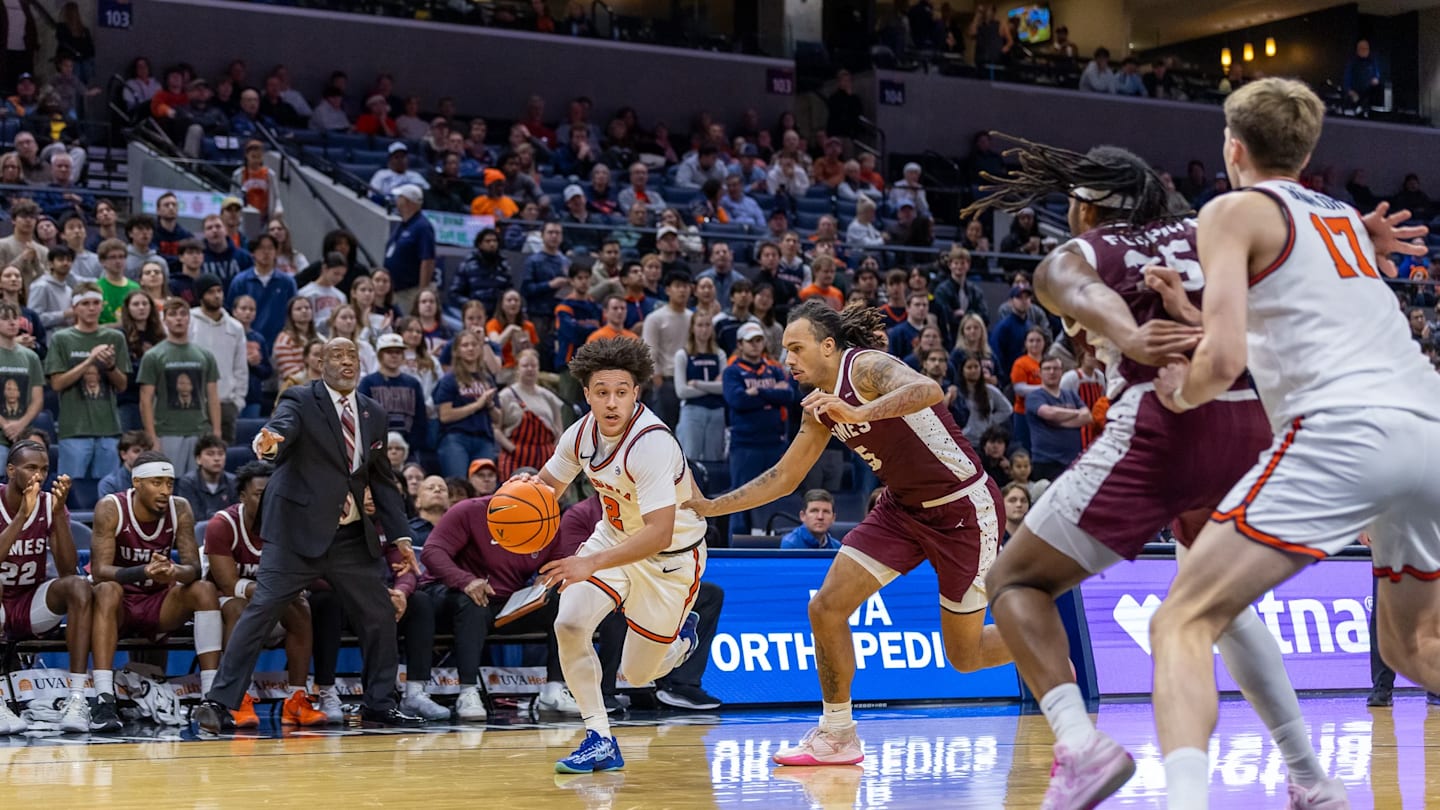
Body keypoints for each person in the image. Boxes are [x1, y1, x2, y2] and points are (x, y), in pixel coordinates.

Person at [956, 134, 1394, 809]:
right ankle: (1310, 778)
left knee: (1016, 580)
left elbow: (1065, 282)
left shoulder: (1095, 248)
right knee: (1222, 609)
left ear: (1088, 208)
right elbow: (1307, 247)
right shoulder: (1213, 227)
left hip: (1168, 420)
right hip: (1252, 424)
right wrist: (1358, 239)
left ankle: (1079, 744)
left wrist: (1127, 333)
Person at [1141, 79, 1438, 810]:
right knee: (1412, 649)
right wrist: (1190, 311)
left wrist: (1178, 393)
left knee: (1181, 616)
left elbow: (1226, 362)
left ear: (1231, 147)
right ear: (1307, 151)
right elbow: (1301, 307)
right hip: (1427, 428)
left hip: (1343, 434)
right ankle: (1307, 783)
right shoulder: (1336, 215)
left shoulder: (1230, 209)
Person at [688, 301, 1011, 765]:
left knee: (965, 656)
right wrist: (712, 506)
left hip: (962, 509)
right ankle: (838, 735)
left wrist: (860, 413)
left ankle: (1038, 635)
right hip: (902, 510)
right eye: (785, 351)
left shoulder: (865, 367)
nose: (788, 360)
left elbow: (928, 389)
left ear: (828, 346)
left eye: (796, 348)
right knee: (826, 606)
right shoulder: (817, 406)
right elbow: (784, 478)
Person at [195, 338, 424, 733]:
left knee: (379, 614)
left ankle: (378, 704)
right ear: (321, 363)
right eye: (336, 355)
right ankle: (217, 702)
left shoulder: (373, 412)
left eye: (352, 355)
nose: (346, 362)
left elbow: (382, 481)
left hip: (348, 536)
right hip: (296, 533)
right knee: (261, 611)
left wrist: (401, 537)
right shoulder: (300, 399)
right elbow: (278, 432)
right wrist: (267, 443)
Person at [521, 337, 705, 773]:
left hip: (669, 558)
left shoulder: (651, 443)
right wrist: (516, 505)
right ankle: (599, 738)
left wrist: (586, 563)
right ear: (586, 393)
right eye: (601, 391)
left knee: (638, 676)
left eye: (621, 391)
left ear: (635, 393)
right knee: (568, 622)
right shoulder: (581, 433)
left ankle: (681, 640)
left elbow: (658, 534)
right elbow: (545, 489)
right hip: (613, 536)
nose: (611, 402)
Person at [418, 487, 584, 722]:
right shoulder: (470, 510)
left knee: (563, 598)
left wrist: (547, 577)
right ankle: (468, 691)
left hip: (507, 603)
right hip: (452, 595)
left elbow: (557, 562)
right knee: (473, 603)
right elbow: (431, 552)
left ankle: (554, 689)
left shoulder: (547, 522)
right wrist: (465, 580)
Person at [90, 452, 222, 733]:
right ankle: (103, 697)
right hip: (119, 604)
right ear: (136, 482)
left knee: (203, 589)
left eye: (170, 483)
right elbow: (100, 570)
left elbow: (193, 569)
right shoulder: (111, 507)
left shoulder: (180, 508)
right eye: (157, 483)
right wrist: (143, 571)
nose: (165, 491)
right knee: (107, 589)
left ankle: (212, 699)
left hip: (159, 602)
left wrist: (174, 572)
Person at [203, 460, 325, 727]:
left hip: (274, 601)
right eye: (260, 494)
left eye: (274, 493)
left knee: (301, 606)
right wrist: (271, 590)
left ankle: (296, 699)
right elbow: (228, 583)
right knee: (239, 607)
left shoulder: (292, 524)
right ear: (243, 496)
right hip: (227, 602)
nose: (269, 500)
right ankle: (239, 697)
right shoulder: (222, 525)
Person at [0, 445, 89, 733]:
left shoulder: (50, 503)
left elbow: (66, 570)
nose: (38, 475)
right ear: (11, 470)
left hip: (29, 604)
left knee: (78, 586)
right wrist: (21, 518)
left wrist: (59, 513)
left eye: (44, 469)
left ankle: (76, 699)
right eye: (30, 468)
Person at [46, 284, 130, 479]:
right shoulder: (62, 338)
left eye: (96, 303)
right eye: (85, 303)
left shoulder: (115, 337)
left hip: (109, 429)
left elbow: (122, 385)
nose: (91, 308)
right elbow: (57, 384)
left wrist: (109, 367)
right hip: (74, 430)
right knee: (69, 491)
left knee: (106, 494)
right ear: (75, 308)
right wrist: (90, 361)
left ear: (102, 306)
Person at [722, 322, 793, 535]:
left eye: (758, 340)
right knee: (740, 496)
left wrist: (756, 392)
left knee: (773, 496)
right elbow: (737, 400)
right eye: (750, 341)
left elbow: (789, 396)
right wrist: (771, 393)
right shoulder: (732, 372)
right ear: (740, 344)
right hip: (745, 444)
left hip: (773, 442)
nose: (755, 345)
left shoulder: (775, 369)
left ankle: (772, 539)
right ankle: (737, 543)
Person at [138, 298, 222, 478]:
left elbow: (213, 396)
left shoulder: (205, 355)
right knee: (169, 483)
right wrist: (152, 437)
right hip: (167, 431)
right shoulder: (153, 356)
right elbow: (146, 400)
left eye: (183, 314)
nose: (179, 319)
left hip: (199, 429)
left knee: (197, 484)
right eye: (173, 314)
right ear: (165, 320)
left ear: (189, 319)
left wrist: (216, 431)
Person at [432, 330, 499, 479]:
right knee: (459, 484)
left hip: (484, 439)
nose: (470, 348)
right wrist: (478, 404)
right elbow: (445, 415)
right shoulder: (449, 379)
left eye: (474, 344)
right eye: (465, 345)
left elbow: (499, 419)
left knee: (484, 489)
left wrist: (490, 405)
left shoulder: (487, 379)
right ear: (457, 351)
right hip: (456, 438)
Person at [496, 348, 563, 478]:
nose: (530, 369)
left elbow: (559, 429)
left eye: (533, 365)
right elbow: (496, 429)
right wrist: (512, 448)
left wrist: (553, 453)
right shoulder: (506, 395)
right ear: (517, 368)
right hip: (516, 457)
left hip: (545, 458)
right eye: (525, 365)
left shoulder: (549, 396)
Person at [1025, 356, 1090, 481]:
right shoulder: (1034, 396)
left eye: (1056, 368)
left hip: (1073, 461)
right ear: (1040, 372)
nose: (1052, 372)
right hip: (1046, 462)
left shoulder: (1070, 394)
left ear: (1062, 371)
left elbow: (1087, 416)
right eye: (1047, 368)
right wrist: (1076, 414)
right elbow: (1049, 413)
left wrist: (1058, 421)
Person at [674, 313, 727, 463]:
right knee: (690, 458)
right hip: (692, 412)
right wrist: (712, 387)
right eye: (700, 325)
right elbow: (682, 391)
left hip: (716, 411)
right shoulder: (682, 355)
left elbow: (724, 388)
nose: (704, 330)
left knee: (714, 458)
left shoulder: (719, 354)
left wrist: (698, 383)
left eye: (707, 325)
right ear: (692, 328)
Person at [0, 301, 43, 470]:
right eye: (5, 318)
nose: (12, 322)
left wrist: (19, 425)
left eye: (15, 318)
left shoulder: (30, 357)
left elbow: (37, 399)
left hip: (23, 435)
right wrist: (6, 425)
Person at [175, 434, 238, 521]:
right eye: (210, 454)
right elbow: (193, 516)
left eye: (221, 454)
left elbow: (237, 516)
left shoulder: (234, 482)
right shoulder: (188, 483)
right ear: (198, 459)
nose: (217, 458)